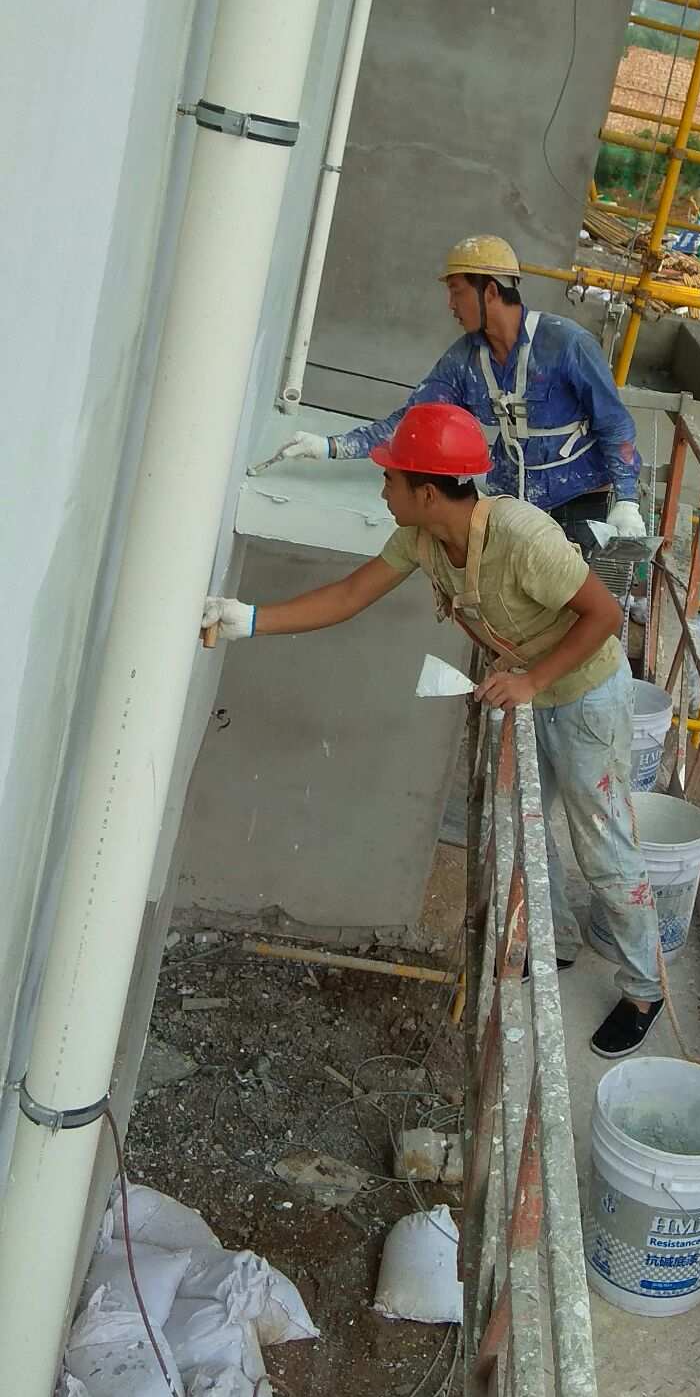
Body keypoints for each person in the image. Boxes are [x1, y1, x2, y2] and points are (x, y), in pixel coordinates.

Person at [204, 402, 663, 1059]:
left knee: (603, 845)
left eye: (390, 479)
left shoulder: (522, 535)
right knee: (523, 826)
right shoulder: (421, 538)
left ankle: (645, 988)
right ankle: (552, 940)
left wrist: (531, 683)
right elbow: (348, 595)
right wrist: (245, 618)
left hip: (586, 695)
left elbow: (604, 613)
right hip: (533, 686)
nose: (382, 488)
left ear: (426, 490)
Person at [265, 233, 645, 558]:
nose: (450, 305)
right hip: (512, 502)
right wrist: (330, 446)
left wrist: (626, 501)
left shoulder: (566, 344)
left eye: (456, 291)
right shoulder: (465, 361)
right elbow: (412, 422)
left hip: (581, 497)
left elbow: (614, 424)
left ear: (490, 291)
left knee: (579, 607)